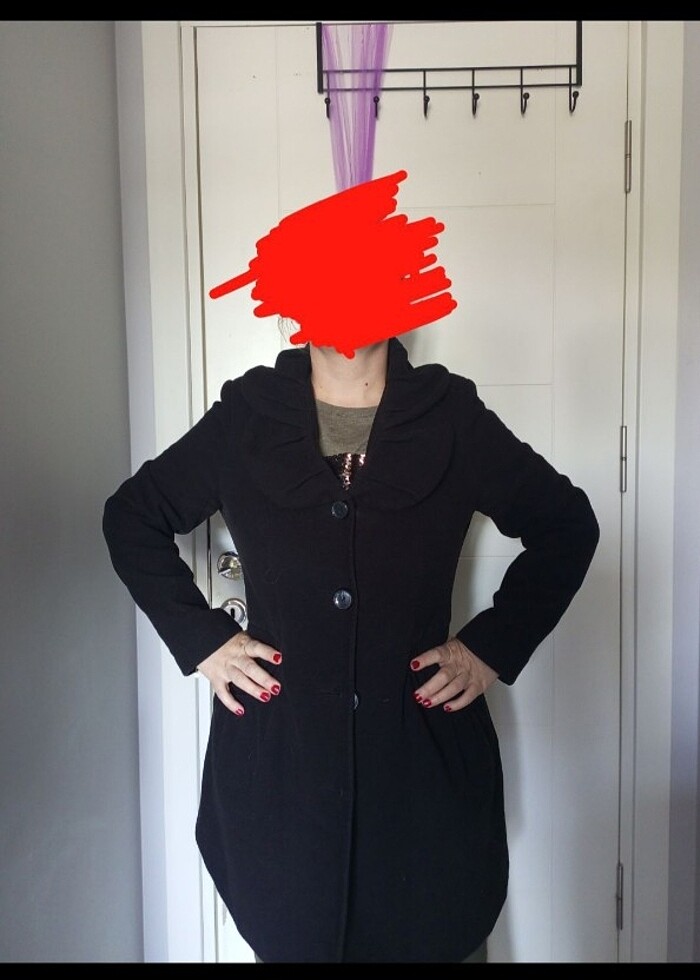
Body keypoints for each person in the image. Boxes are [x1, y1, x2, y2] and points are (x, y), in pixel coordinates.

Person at [102, 332, 599, 963]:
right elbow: (133, 517)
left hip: (422, 774)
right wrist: (205, 642)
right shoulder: (247, 416)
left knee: (433, 936)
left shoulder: (450, 416)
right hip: (281, 776)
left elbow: (566, 526)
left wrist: (489, 649)